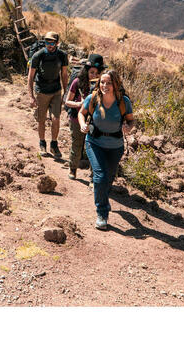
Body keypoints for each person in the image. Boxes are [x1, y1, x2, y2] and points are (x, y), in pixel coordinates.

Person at [78, 68, 135, 230]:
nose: (104, 85)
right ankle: (102, 213)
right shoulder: (93, 98)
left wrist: (128, 127)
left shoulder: (123, 102)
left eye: (109, 83)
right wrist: (82, 124)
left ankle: (103, 199)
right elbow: (81, 113)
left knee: (108, 179)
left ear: (116, 84)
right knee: (100, 176)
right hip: (94, 143)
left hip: (115, 146)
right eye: (102, 82)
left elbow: (131, 121)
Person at [27, 31, 68, 160]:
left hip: (56, 90)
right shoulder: (38, 55)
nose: (49, 45)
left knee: (56, 119)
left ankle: (54, 144)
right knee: (42, 119)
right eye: (47, 42)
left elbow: (64, 74)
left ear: (57, 43)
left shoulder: (62, 55)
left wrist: (66, 93)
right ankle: (42, 143)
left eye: (52, 42)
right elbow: (31, 76)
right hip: (41, 91)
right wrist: (31, 96)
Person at [64, 52, 104, 180]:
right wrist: (79, 104)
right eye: (92, 72)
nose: (94, 75)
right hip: (76, 118)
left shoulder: (104, 85)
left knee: (95, 148)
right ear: (87, 70)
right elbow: (67, 101)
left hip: (96, 121)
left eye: (97, 73)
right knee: (77, 144)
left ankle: (93, 176)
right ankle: (73, 168)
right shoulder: (77, 82)